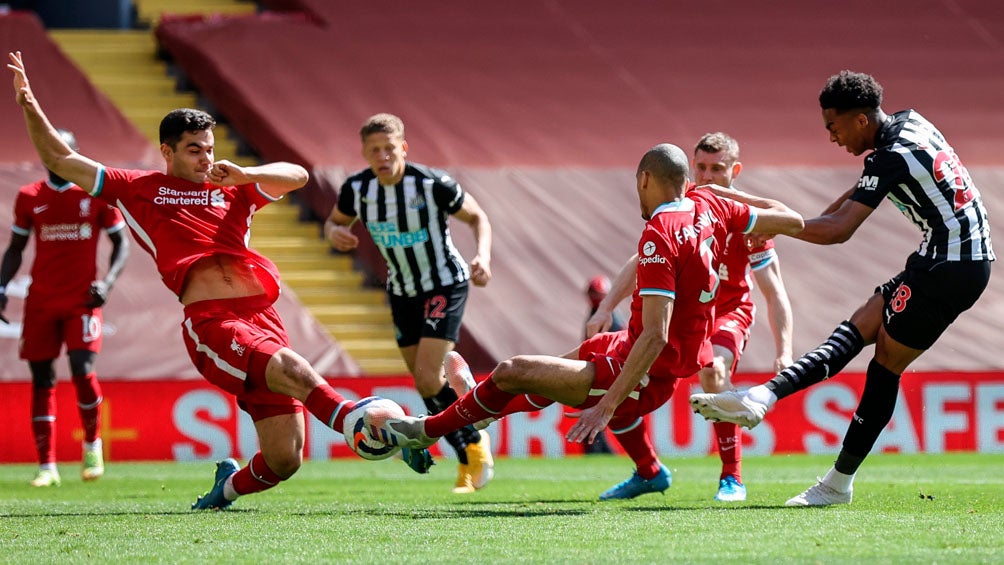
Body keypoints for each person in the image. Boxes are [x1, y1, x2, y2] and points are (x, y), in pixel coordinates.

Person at [8, 51, 431, 510]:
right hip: (211, 323)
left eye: (209, 148)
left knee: (285, 458)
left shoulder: (233, 186)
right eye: (194, 149)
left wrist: (246, 173)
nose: (205, 157)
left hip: (262, 318)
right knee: (292, 367)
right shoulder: (136, 187)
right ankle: (363, 423)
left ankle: (224, 489)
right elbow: (60, 157)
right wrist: (30, 102)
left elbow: (298, 175)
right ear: (167, 151)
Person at [364, 144, 805, 497]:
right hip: (632, 346)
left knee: (513, 371)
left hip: (647, 366)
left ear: (645, 180)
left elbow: (655, 335)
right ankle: (478, 414)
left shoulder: (659, 236)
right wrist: (727, 194)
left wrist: (607, 404)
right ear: (689, 181)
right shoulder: (712, 205)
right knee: (544, 375)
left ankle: (424, 430)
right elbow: (794, 219)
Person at [690, 70, 994, 506]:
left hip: (951, 267)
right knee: (863, 322)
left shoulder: (889, 156)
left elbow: (838, 231)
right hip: (947, 257)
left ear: (859, 120)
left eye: (833, 126)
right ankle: (763, 396)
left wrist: (767, 223)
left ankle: (836, 482)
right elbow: (853, 198)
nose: (832, 137)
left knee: (885, 363)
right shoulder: (909, 124)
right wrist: (797, 218)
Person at [587, 133, 795, 502]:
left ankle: (732, 478)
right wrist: (606, 308)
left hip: (728, 313)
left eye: (718, 169)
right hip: (683, 317)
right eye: (701, 167)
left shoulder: (748, 224)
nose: (708, 175)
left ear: (736, 171)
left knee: (714, 370)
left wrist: (784, 350)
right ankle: (648, 470)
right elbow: (641, 263)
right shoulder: (686, 207)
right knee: (622, 376)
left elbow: (774, 291)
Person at [324, 113, 494, 494]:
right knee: (424, 381)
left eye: (389, 148)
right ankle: (468, 446)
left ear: (403, 147)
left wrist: (482, 256)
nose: (383, 156)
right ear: (365, 154)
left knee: (429, 372)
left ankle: (475, 448)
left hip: (444, 284)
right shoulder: (358, 189)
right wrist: (335, 231)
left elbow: (477, 217)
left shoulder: (432, 184)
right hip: (401, 289)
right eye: (374, 150)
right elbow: (333, 222)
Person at [0, 128, 130, 487]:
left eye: (62, 150)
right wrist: (1, 286)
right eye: (50, 150)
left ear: (74, 154)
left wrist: (106, 284)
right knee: (42, 380)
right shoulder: (30, 197)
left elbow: (122, 244)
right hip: (41, 301)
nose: (55, 156)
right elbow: (15, 248)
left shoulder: (94, 194)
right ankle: (47, 466)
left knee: (81, 368)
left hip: (82, 301)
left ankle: (92, 443)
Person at [580, 275, 624, 455]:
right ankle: (601, 449)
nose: (595, 297)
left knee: (596, 413)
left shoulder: (606, 317)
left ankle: (598, 449)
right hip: (602, 371)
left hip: (606, 373)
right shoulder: (602, 315)